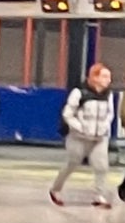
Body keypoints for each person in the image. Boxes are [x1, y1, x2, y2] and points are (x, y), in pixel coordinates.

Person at [51, 61, 119, 209]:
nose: (109, 80)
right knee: (72, 163)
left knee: (102, 167)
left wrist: (105, 127)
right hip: (78, 137)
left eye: (109, 77)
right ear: (94, 77)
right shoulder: (79, 93)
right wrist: (80, 127)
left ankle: (99, 196)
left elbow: (110, 114)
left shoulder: (109, 95)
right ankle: (55, 189)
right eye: (105, 76)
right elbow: (68, 114)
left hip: (100, 137)